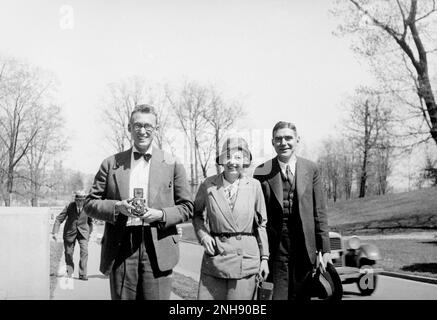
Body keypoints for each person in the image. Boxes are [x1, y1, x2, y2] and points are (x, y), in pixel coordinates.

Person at [83, 104, 193, 300]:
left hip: (158, 245)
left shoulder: (173, 164)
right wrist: (117, 207)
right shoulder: (111, 164)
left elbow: (187, 207)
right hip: (121, 245)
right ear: (129, 128)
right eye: (137, 125)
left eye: (148, 126)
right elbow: (90, 204)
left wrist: (161, 215)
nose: (143, 131)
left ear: (156, 129)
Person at [253, 121, 331, 300]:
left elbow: (319, 210)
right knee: (277, 296)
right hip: (276, 246)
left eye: (288, 138)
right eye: (278, 139)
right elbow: (257, 218)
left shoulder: (311, 169)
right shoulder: (262, 171)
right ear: (272, 142)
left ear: (297, 140)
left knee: (301, 295)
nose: (283, 143)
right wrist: (261, 254)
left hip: (305, 245)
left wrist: (324, 249)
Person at [193, 136, 269, 300]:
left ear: (245, 161)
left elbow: (262, 224)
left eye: (238, 157)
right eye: (228, 156)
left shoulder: (254, 186)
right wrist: (203, 235)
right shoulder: (208, 185)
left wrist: (264, 258)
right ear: (221, 160)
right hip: (216, 257)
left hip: (246, 260)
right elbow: (197, 215)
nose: (232, 162)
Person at [52, 190, 93, 280]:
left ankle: (83, 274)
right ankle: (70, 271)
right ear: (75, 200)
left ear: (84, 200)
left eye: (81, 200)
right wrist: (55, 232)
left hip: (83, 233)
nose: (79, 202)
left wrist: (88, 233)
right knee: (68, 253)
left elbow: (90, 222)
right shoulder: (69, 206)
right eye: (77, 200)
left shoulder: (88, 207)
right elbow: (59, 219)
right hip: (70, 233)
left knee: (84, 252)